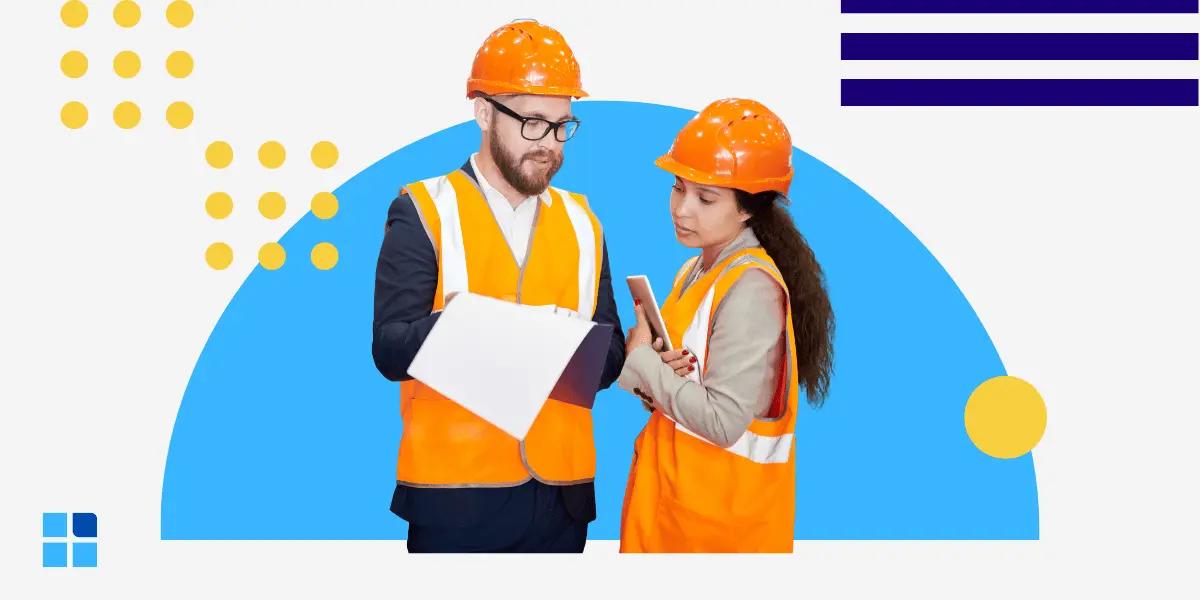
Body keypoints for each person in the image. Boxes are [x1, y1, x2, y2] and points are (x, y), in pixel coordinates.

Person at [371, 20, 625, 553]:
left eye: (562, 126)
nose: (551, 145)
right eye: (533, 123)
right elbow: (390, 349)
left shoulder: (585, 221)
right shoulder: (423, 208)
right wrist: (482, 329)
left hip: (562, 499)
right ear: (484, 112)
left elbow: (611, 354)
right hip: (455, 497)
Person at [618, 98, 834, 553]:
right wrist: (651, 369)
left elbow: (721, 421)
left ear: (749, 209)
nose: (682, 209)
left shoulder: (751, 287)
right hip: (672, 512)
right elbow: (678, 388)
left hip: (718, 534)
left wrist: (641, 359)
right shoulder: (693, 272)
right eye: (678, 188)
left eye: (706, 198)